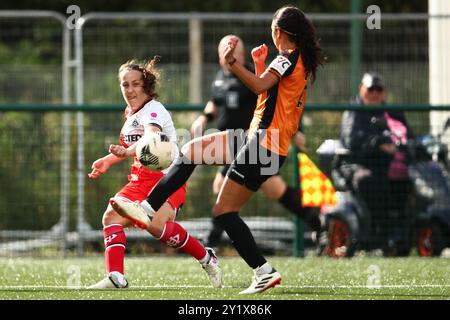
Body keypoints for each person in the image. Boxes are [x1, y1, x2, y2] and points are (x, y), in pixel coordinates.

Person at [110, 6, 325, 294]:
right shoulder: (293, 61)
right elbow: (266, 92)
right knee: (192, 149)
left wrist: (235, 65)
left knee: (224, 211)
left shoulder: (286, 58)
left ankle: (263, 271)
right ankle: (148, 208)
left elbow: (259, 85)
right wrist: (259, 64)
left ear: (278, 32)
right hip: (259, 141)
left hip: (262, 145)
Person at [87, 57, 223, 289]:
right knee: (110, 217)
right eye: (125, 84)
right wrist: (109, 160)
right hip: (139, 178)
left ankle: (206, 256)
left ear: (146, 85)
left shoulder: (154, 110)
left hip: (166, 179)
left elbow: (151, 137)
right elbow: (137, 146)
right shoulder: (129, 113)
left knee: (156, 226)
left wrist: (126, 151)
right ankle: (116, 277)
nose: (130, 89)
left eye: (135, 84)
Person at [191, 35, 322, 248]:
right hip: (230, 145)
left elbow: (280, 101)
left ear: (241, 55)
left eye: (234, 48)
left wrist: (296, 131)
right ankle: (212, 241)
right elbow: (214, 102)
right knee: (223, 188)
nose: (230, 50)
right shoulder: (220, 78)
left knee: (273, 190)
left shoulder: (251, 77)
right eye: (225, 47)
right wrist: (204, 118)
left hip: (253, 145)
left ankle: (317, 221)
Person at [339, 72, 413, 253]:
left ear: (384, 92)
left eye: (378, 89)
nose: (374, 93)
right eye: (370, 88)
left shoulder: (392, 114)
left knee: (412, 183)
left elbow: (410, 137)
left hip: (392, 167)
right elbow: (351, 140)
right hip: (356, 165)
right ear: (361, 89)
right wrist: (378, 143)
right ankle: (380, 233)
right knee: (368, 181)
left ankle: (402, 234)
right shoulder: (354, 112)